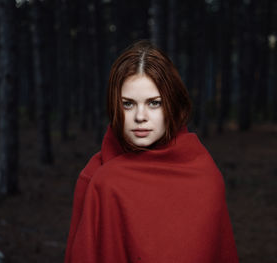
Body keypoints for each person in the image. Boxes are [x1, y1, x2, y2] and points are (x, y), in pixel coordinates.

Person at [64, 40, 239, 263]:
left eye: (154, 103)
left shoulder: (204, 175)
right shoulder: (98, 179)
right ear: (115, 107)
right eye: (128, 104)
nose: (140, 116)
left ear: (173, 104)